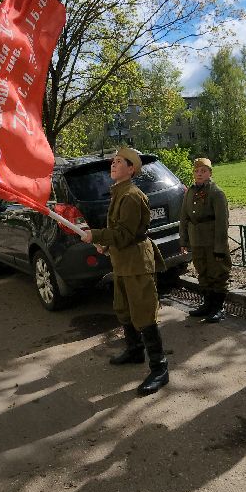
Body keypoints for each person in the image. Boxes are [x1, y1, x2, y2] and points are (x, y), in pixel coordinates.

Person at [79, 146, 169, 396]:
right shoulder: (118, 192)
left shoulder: (130, 195)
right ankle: (134, 350)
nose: (113, 164)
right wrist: (105, 245)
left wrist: (96, 235)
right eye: (113, 161)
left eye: (119, 162)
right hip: (122, 262)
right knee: (124, 308)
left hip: (137, 264)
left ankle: (160, 368)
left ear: (131, 169)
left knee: (143, 314)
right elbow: (119, 232)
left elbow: (126, 234)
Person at [179, 157, 231, 322]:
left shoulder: (216, 193)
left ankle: (218, 307)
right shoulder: (191, 192)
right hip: (197, 241)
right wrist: (183, 241)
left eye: (203, 171)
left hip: (212, 241)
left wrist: (220, 248)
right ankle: (207, 305)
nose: (199, 174)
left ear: (210, 173)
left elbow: (222, 223)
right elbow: (184, 217)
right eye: (197, 171)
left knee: (218, 273)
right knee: (203, 272)